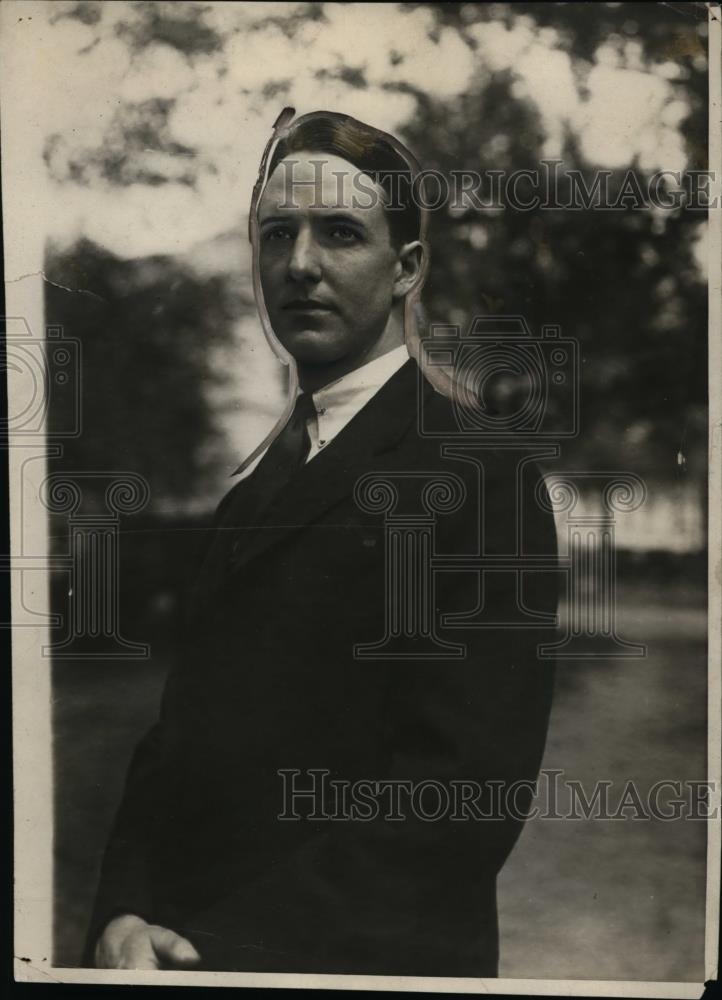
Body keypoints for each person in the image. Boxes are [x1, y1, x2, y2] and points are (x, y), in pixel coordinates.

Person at [87, 110, 558, 977]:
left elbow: (459, 796)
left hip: (351, 964)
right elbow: (177, 739)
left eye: (341, 234)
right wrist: (123, 907)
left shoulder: (477, 470)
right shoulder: (256, 483)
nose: (299, 265)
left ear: (406, 267)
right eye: (277, 235)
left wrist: (221, 950)